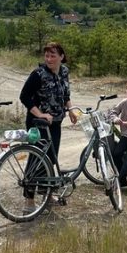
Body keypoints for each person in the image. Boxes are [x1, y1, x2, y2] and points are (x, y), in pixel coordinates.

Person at [19, 42, 76, 202]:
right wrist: (41, 114)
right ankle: (29, 199)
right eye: (47, 56)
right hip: (38, 123)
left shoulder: (64, 72)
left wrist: (70, 109)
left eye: (53, 56)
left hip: (56, 123)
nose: (49, 59)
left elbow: (66, 95)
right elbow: (24, 97)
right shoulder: (38, 74)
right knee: (37, 158)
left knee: (50, 158)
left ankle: (46, 194)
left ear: (61, 57)